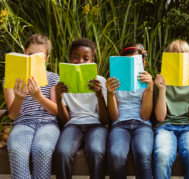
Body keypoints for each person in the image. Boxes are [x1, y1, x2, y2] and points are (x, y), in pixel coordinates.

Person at [4, 34, 60, 179]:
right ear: (24, 53)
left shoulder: (53, 78)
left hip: (48, 123)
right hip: (22, 122)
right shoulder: (10, 78)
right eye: (30, 54)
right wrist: (19, 98)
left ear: (46, 59)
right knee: (17, 151)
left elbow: (55, 111)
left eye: (39, 57)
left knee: (42, 149)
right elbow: (12, 115)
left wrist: (39, 97)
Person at [54, 38, 109, 179]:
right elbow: (65, 120)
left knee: (96, 151)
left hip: (96, 125)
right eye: (76, 57)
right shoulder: (63, 82)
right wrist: (59, 98)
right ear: (70, 58)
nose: (80, 61)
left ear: (92, 61)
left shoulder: (100, 81)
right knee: (62, 152)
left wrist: (99, 96)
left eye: (86, 58)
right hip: (73, 125)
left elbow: (104, 120)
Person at [153, 40, 189, 179]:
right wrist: (162, 90)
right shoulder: (160, 82)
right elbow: (160, 118)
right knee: (162, 155)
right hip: (165, 127)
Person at [106, 43, 154, 179]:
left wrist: (150, 88)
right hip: (120, 124)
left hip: (142, 124)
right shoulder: (114, 83)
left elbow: (145, 116)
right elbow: (114, 116)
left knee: (143, 153)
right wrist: (110, 94)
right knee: (116, 155)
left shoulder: (147, 84)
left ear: (143, 63)